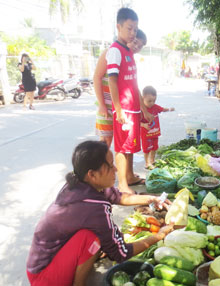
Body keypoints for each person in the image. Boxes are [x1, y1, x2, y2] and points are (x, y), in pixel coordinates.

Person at [26, 140, 174, 286]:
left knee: (98, 237)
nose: (116, 169)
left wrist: (150, 199)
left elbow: (118, 196)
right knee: (93, 237)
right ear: (92, 174)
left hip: (41, 264)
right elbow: (120, 253)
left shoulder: (80, 183)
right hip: (45, 277)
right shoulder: (93, 208)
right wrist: (160, 235)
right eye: (110, 166)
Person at [106, 8, 153, 193]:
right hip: (124, 109)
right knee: (121, 147)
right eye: (129, 28)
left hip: (133, 108)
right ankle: (123, 185)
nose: (133, 33)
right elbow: (112, 81)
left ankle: (131, 176)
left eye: (135, 29)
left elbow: (134, 84)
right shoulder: (115, 51)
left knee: (131, 145)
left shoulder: (128, 52)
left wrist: (143, 108)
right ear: (119, 27)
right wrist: (118, 109)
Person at [93, 29, 147, 148]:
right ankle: (103, 166)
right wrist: (102, 104)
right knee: (105, 141)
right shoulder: (111, 52)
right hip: (107, 106)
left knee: (120, 140)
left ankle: (109, 166)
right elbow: (97, 77)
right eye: (135, 42)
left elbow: (134, 87)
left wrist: (143, 109)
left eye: (141, 46)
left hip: (123, 108)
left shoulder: (130, 58)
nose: (137, 47)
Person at [140, 86, 175, 169]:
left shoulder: (155, 107)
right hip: (146, 135)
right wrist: (144, 125)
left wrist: (170, 109)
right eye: (149, 101)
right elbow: (137, 122)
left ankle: (152, 160)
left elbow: (163, 109)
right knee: (146, 149)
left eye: (154, 100)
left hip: (155, 133)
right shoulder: (141, 109)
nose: (152, 103)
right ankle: (147, 162)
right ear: (142, 98)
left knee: (155, 147)